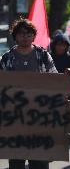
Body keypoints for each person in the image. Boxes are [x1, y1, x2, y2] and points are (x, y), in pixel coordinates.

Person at [0, 18, 58, 169]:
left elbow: (55, 80)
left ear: (33, 36)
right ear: (15, 36)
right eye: (21, 34)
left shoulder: (44, 55)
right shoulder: (7, 58)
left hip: (40, 117)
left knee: (39, 161)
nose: (25, 37)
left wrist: (67, 77)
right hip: (15, 118)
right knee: (16, 162)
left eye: (28, 34)